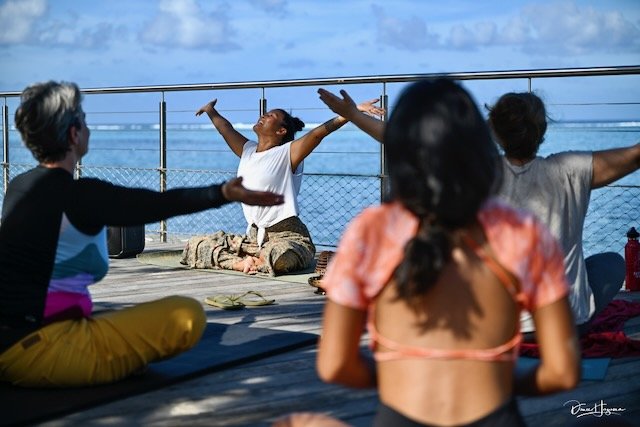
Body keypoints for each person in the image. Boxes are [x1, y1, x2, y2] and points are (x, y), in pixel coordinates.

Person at [313, 80, 580, 426]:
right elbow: (561, 372)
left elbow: (334, 365)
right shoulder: (521, 231)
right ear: (482, 149)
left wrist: (405, 371)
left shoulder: (372, 231)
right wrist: (492, 377)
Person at [0, 81, 284, 387]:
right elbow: (156, 204)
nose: (87, 126)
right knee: (186, 315)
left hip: (15, 342)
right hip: (43, 351)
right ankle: (112, 361)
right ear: (73, 134)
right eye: (83, 119)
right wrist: (223, 192)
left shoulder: (18, 186)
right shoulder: (80, 195)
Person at [487, 92, 640, 336]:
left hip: (501, 328)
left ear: (495, 130)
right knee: (612, 263)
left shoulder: (482, 174)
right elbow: (634, 156)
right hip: (564, 327)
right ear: (543, 129)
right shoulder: (568, 169)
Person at [180, 96, 383, 276]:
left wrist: (349, 114)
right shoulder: (248, 150)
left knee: (280, 256)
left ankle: (252, 262)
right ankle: (242, 264)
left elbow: (317, 134)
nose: (263, 115)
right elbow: (226, 129)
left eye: (270, 116)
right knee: (196, 245)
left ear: (281, 130)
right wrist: (210, 110)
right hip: (253, 240)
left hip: (287, 237)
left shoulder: (288, 153)